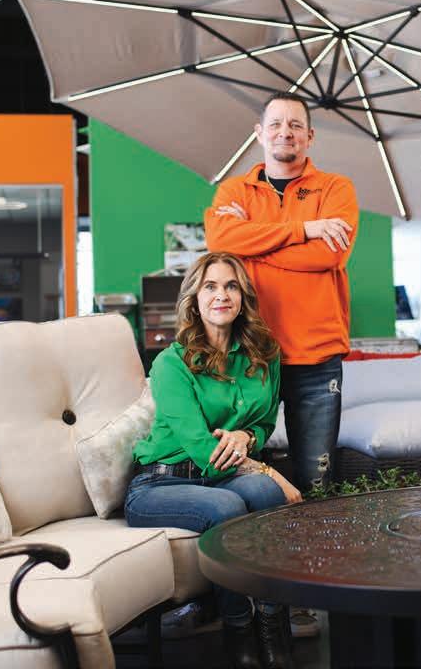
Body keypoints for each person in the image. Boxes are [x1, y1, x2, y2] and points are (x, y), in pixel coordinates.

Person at [125, 252, 301, 669]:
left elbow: (264, 422)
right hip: (160, 483)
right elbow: (204, 450)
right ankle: (238, 632)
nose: (221, 295)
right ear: (194, 298)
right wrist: (270, 470)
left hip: (221, 475)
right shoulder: (171, 363)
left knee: (265, 495)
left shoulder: (265, 355)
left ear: (242, 297)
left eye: (231, 286)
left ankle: (273, 625)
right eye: (210, 286)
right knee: (229, 506)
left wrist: (246, 436)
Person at [205, 91, 358, 499]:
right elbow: (220, 240)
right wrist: (305, 230)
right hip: (248, 354)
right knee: (243, 477)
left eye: (295, 125)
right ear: (259, 133)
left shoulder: (335, 188)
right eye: (275, 124)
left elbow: (329, 254)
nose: (284, 132)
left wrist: (252, 244)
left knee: (316, 483)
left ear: (309, 136)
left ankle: (314, 542)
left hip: (316, 357)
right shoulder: (234, 191)